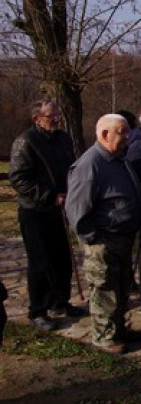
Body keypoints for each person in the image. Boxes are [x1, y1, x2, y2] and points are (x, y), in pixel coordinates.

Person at [65, 114, 141, 354]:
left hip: (123, 239)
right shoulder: (90, 163)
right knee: (104, 289)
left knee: (120, 288)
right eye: (122, 132)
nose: (127, 137)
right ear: (104, 134)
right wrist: (93, 238)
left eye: (128, 131)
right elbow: (76, 208)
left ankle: (117, 328)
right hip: (103, 241)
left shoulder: (119, 159)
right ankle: (105, 337)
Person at [9, 99, 83, 332]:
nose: (56, 119)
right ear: (36, 118)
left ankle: (60, 301)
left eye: (57, 115)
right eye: (51, 116)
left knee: (62, 257)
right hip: (35, 210)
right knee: (40, 262)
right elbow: (19, 178)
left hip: (59, 208)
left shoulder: (62, 138)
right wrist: (49, 196)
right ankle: (38, 310)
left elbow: (71, 167)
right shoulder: (26, 141)